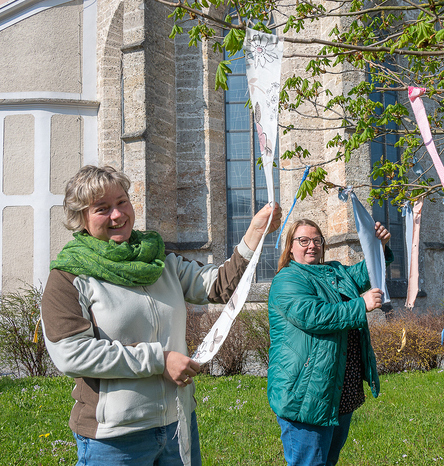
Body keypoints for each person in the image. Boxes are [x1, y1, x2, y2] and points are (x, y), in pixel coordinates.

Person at [41, 165, 281, 466]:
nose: (117, 215)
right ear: (81, 219)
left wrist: (255, 233)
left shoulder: (158, 259)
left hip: (177, 425)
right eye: (102, 209)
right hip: (115, 440)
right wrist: (159, 360)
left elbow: (220, 286)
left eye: (122, 202)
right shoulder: (68, 276)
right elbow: (71, 353)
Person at [267, 218, 391, 466]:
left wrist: (380, 246)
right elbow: (314, 316)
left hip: (336, 392)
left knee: (328, 461)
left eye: (316, 240)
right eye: (303, 240)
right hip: (306, 394)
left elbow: (369, 271)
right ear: (290, 247)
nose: (311, 245)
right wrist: (361, 304)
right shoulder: (287, 279)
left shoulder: (335, 271)